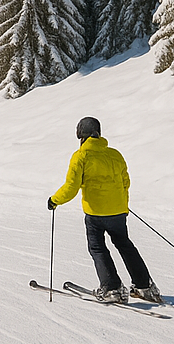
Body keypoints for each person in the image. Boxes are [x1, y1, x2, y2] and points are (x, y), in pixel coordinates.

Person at [49, 117, 163, 304]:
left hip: (95, 213)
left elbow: (71, 187)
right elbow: (126, 182)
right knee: (125, 245)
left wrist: (54, 200)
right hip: (118, 211)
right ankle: (144, 287)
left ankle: (112, 289)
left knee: (98, 248)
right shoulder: (115, 154)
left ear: (81, 135)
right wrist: (119, 203)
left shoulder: (81, 156)